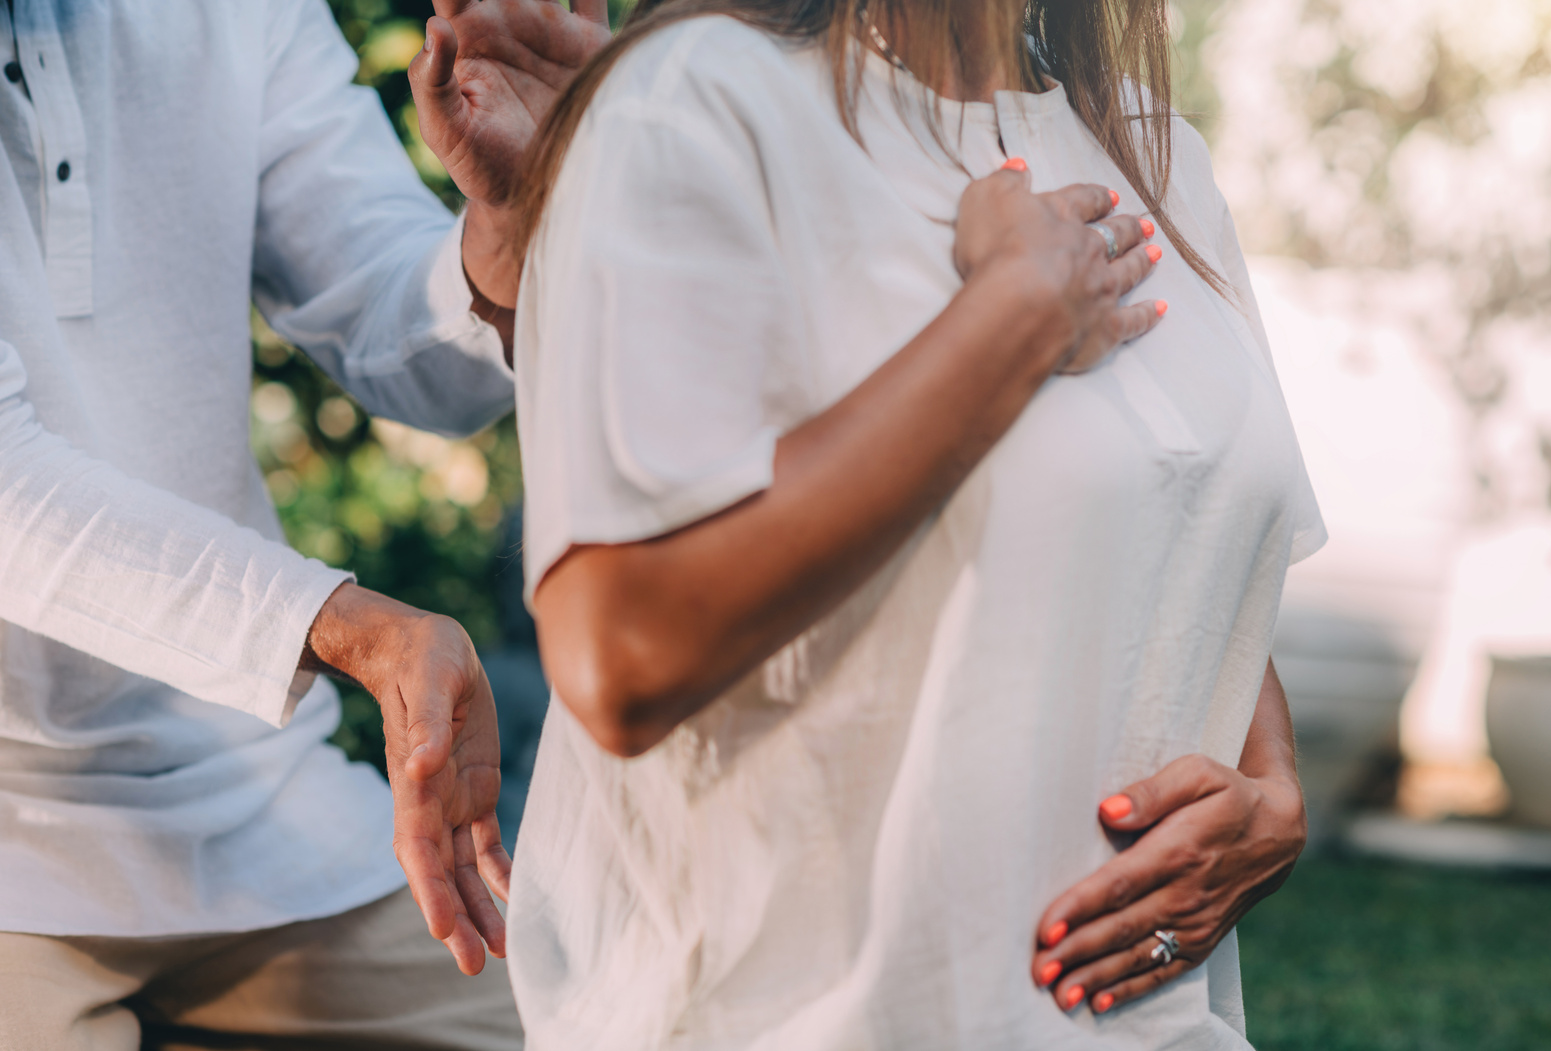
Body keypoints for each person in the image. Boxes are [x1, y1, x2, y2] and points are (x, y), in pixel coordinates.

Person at [501, 0, 1324, 1048]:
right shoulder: (695, 101)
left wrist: (1270, 790)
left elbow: (1176, 524)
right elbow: (622, 651)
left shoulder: (1151, 148)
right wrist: (1012, 316)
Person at [0, 1, 607, 1047]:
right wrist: (354, 626)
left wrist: (515, 215)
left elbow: (385, 312)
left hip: (251, 802)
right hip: (17, 844)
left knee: (601, 1023)